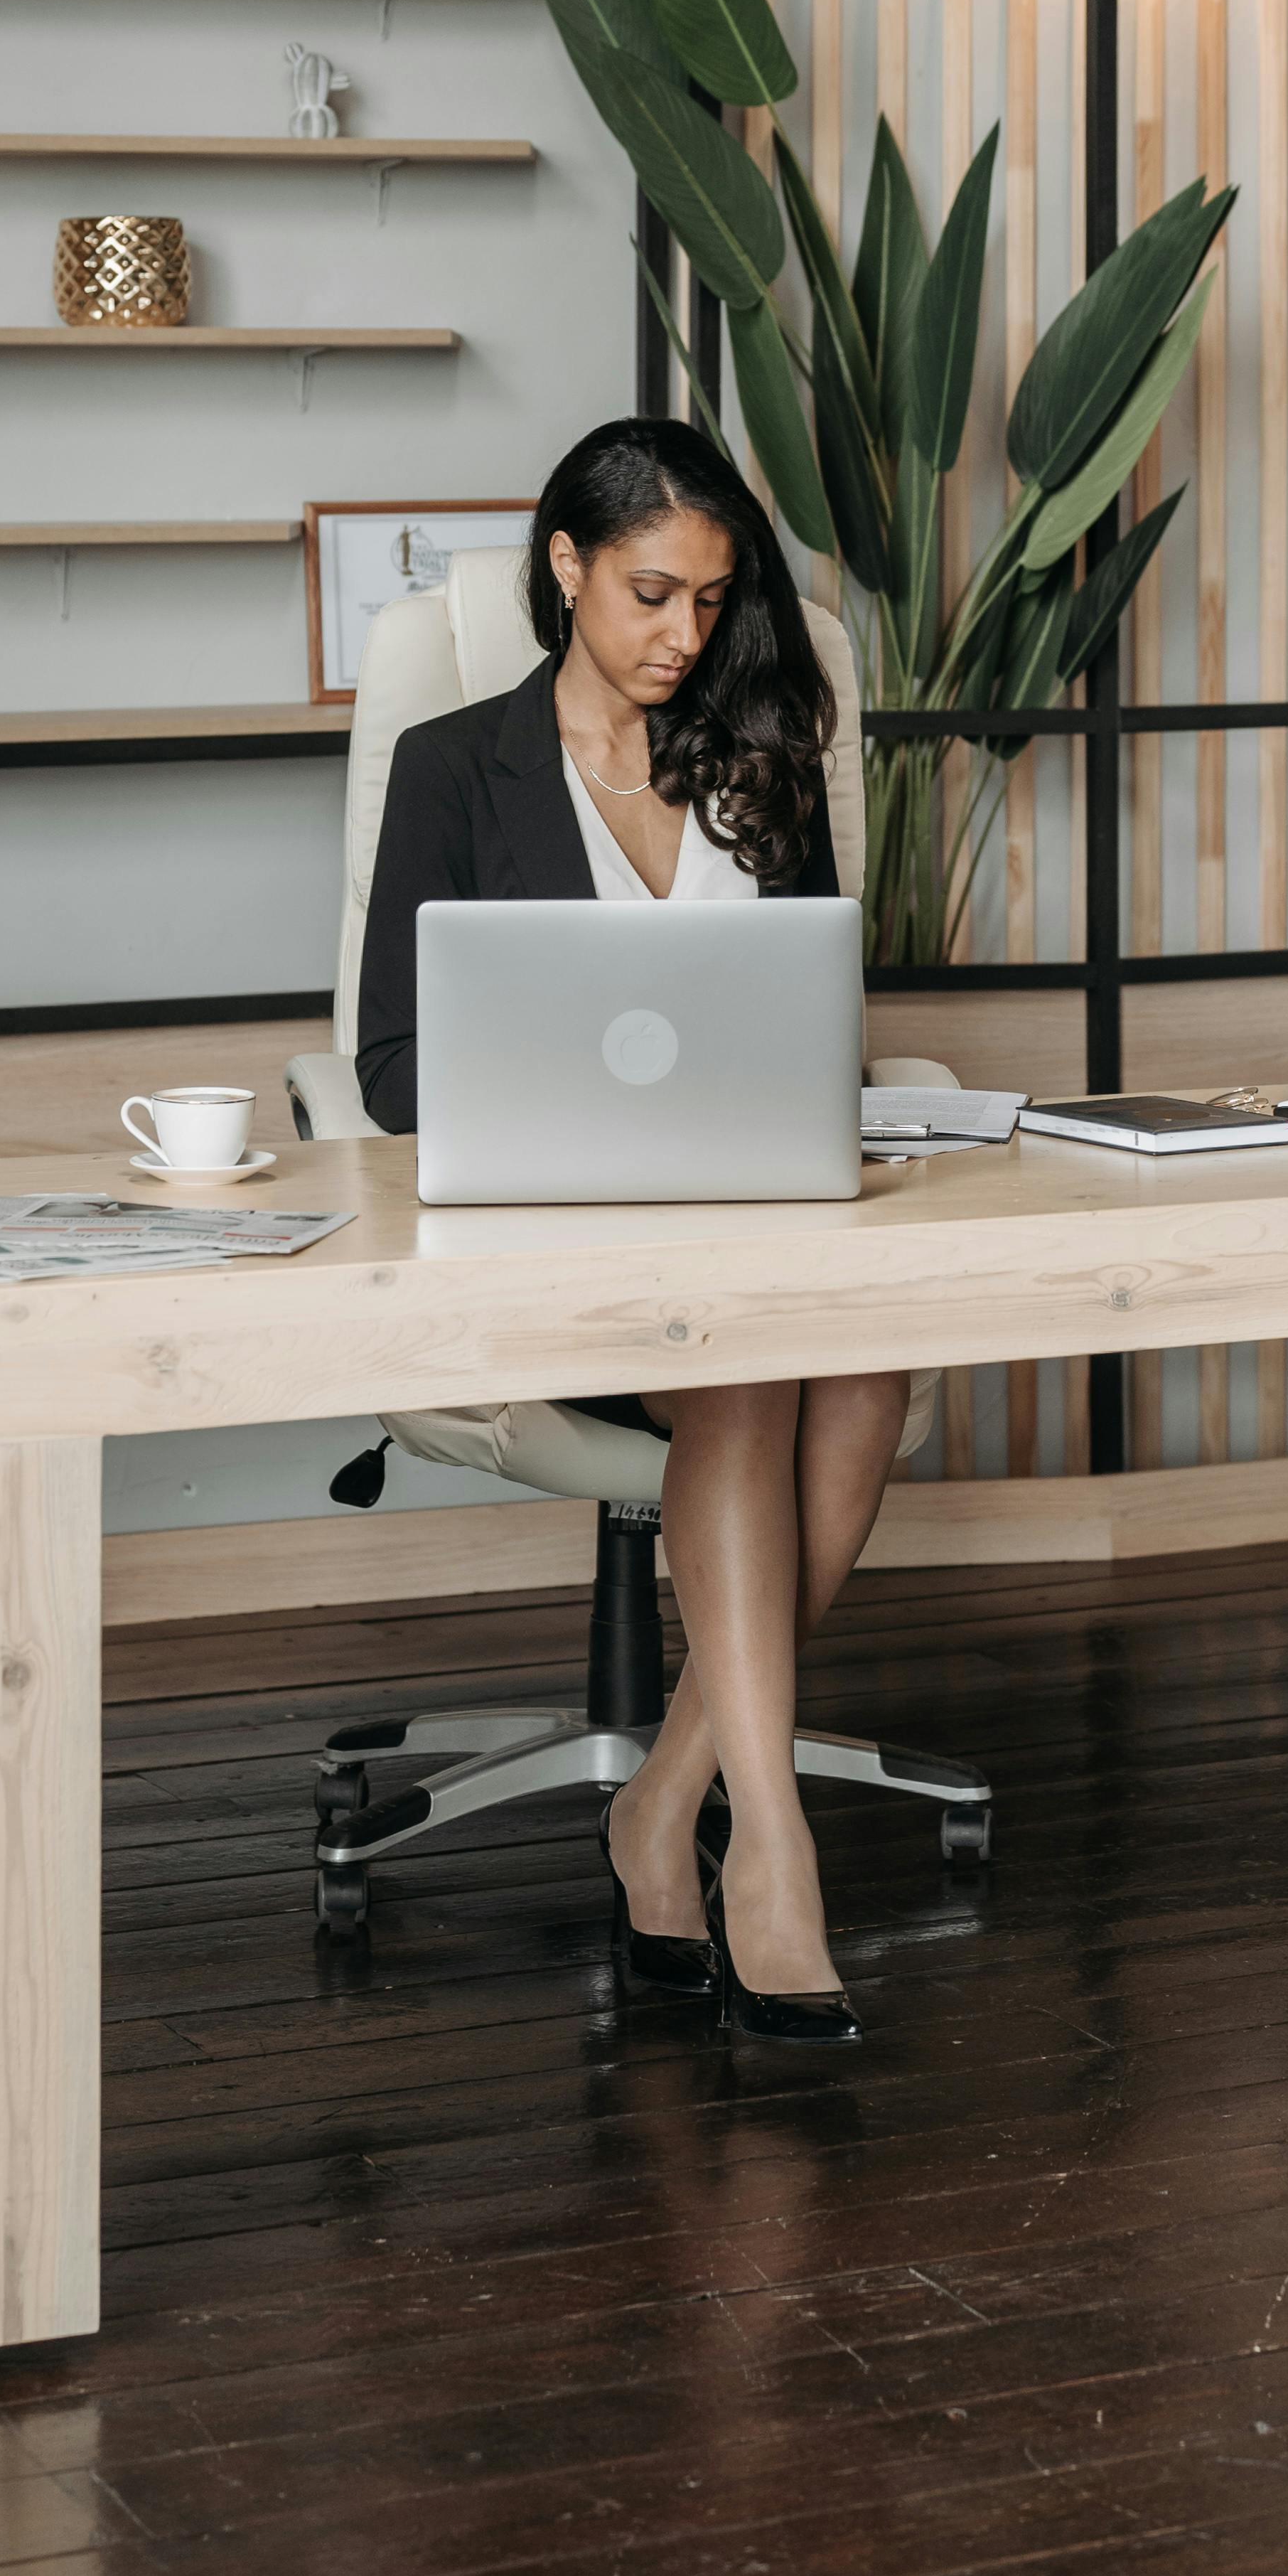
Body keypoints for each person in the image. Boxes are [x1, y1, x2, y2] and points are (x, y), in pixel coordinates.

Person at [358, 414, 906, 2046]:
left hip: (758, 1229)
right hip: (562, 1261)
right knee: (749, 1373)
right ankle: (774, 1848)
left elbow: (815, 1027)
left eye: (710, 600)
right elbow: (391, 1070)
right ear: (566, 567)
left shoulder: (756, 746)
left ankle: (664, 1802)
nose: (685, 635)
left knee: (863, 1370)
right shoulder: (456, 767)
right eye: (651, 593)